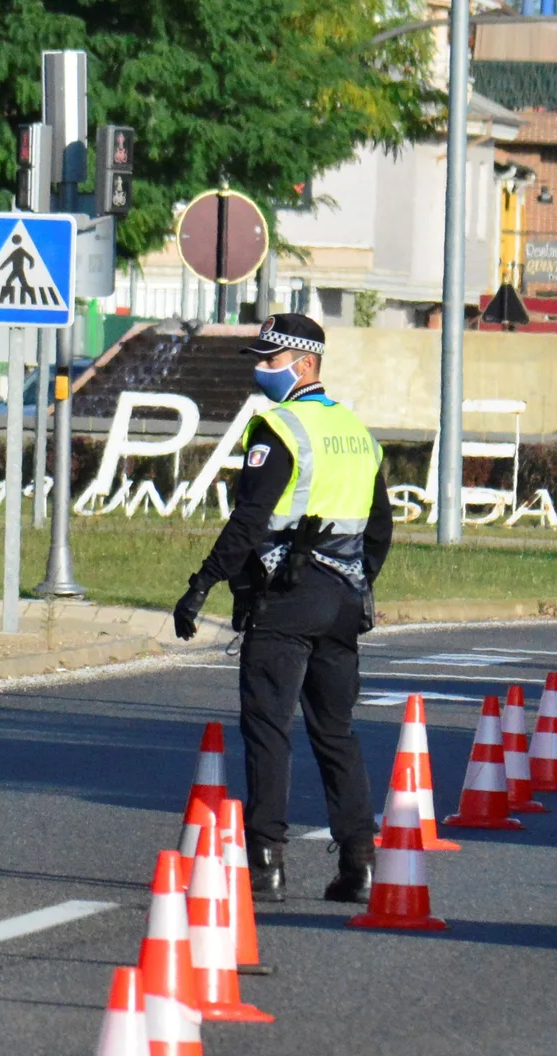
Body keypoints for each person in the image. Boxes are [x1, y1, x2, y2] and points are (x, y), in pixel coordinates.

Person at [173, 313, 392, 905]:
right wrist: (352, 581)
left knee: (269, 731)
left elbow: (249, 520)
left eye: (269, 360)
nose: (259, 369)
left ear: (306, 364)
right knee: (337, 734)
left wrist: (202, 583)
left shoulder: (277, 427)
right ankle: (359, 865)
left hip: (286, 597)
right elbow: (379, 531)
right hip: (344, 600)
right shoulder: (357, 433)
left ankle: (265, 864)